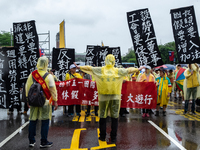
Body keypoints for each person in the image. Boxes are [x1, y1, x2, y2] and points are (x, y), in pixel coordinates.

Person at [75, 54, 145, 143]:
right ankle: (114, 137)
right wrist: (138, 69)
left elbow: (89, 68)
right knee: (114, 117)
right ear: (113, 61)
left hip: (103, 97)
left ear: (105, 60)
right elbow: (128, 70)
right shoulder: (117, 71)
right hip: (115, 97)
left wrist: (79, 67)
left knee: (102, 116)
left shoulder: (100, 70)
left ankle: (102, 136)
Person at [26, 56, 58, 148]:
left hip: (33, 101)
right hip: (45, 102)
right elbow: (53, 89)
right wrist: (55, 101)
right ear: (46, 64)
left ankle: (31, 141)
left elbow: (27, 88)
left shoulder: (32, 75)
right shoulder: (49, 76)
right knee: (45, 121)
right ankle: (43, 141)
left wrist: (28, 100)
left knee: (32, 120)